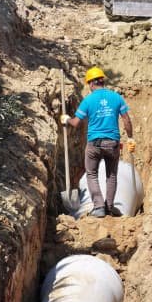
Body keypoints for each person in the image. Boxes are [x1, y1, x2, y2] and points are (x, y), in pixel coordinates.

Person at [64, 66, 134, 217]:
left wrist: (67, 119)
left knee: (91, 174)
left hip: (94, 144)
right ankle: (109, 207)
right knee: (112, 176)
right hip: (113, 143)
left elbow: (75, 123)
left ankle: (99, 207)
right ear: (103, 81)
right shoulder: (116, 97)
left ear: (91, 83)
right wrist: (130, 138)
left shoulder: (88, 100)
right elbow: (126, 120)